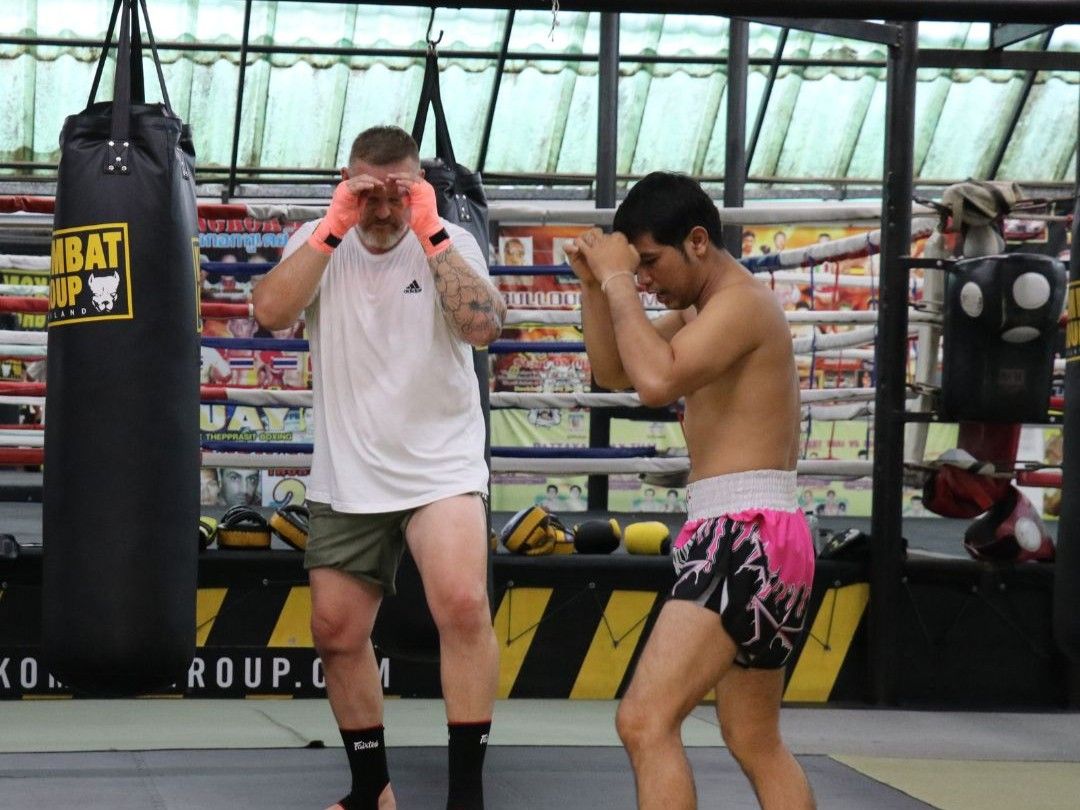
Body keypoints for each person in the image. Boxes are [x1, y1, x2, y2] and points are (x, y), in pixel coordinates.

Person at [252, 125, 505, 810]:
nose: (385, 209)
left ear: (418, 187)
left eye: (400, 194)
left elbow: (484, 329)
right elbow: (270, 312)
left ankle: (465, 798)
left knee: (462, 603)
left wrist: (432, 230)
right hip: (350, 468)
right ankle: (371, 792)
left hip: (440, 466)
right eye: (372, 194)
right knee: (336, 633)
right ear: (348, 183)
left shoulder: (451, 240)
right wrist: (334, 225)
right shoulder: (318, 240)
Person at [565, 171, 816, 810]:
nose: (646, 278)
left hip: (746, 534)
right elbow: (615, 371)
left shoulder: (742, 305)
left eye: (651, 261)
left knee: (644, 721)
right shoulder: (706, 310)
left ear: (698, 241)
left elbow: (657, 382)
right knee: (755, 739)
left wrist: (618, 281)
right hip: (759, 535)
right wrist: (596, 286)